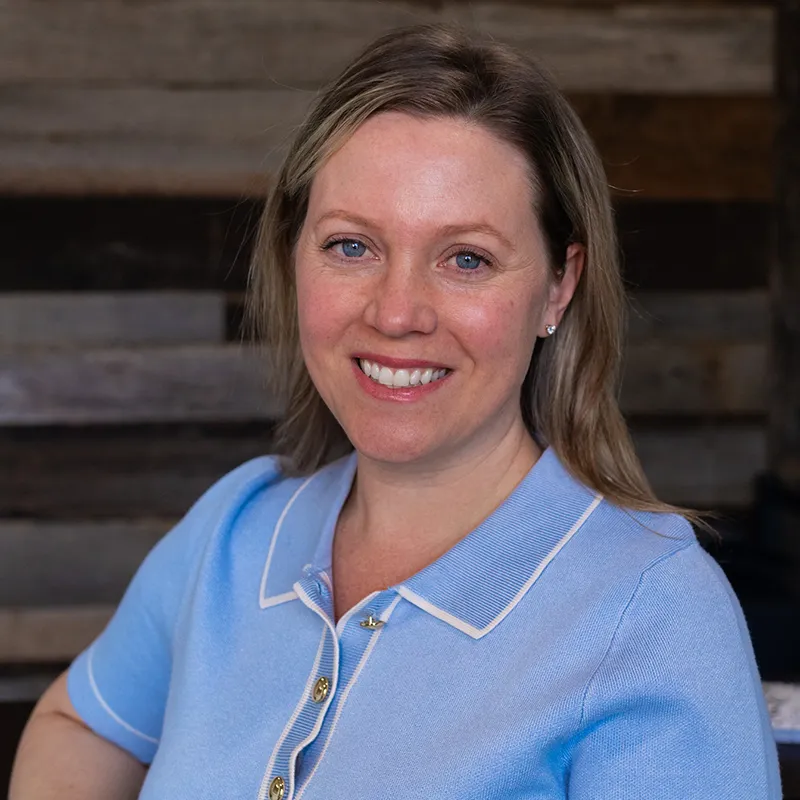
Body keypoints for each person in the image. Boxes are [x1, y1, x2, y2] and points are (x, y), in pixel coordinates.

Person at [10, 22, 781, 800]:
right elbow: (79, 728)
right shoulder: (235, 533)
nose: (397, 311)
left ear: (557, 285)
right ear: (292, 253)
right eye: (352, 246)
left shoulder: (654, 618)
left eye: (467, 258)